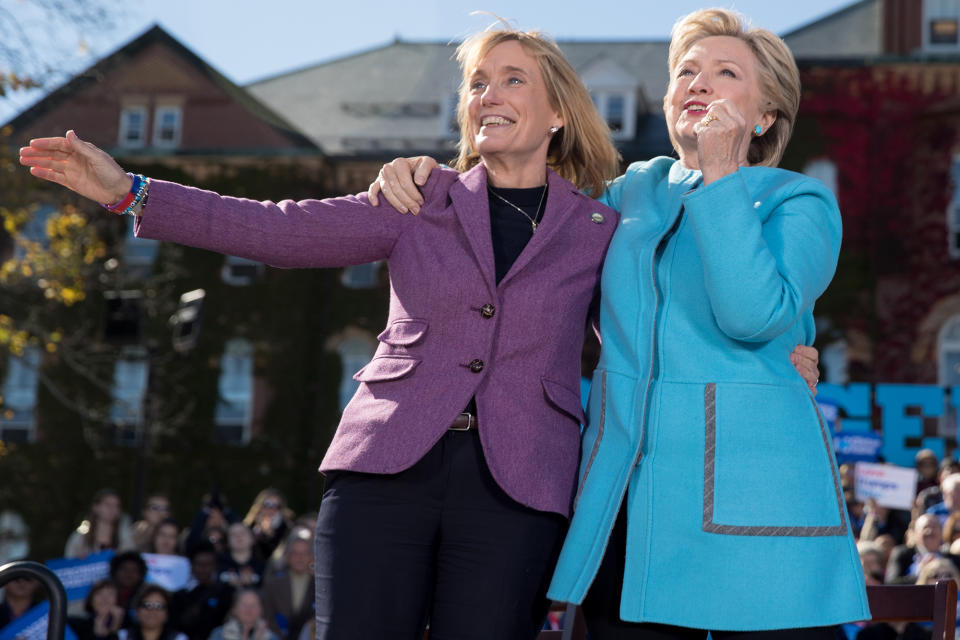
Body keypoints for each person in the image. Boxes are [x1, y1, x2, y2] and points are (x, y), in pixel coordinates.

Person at [19, 22, 818, 640]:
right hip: (383, 473)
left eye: (512, 78)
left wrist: (793, 349)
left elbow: (670, 301)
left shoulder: (602, 227)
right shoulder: (418, 198)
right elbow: (276, 229)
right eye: (477, 82)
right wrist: (131, 192)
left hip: (519, 490)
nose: (488, 93)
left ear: (557, 113)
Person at [372, 8, 859, 637]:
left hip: (756, 508)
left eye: (725, 72)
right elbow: (523, 229)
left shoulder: (800, 200)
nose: (699, 83)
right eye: (686, 70)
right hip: (631, 504)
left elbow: (753, 314)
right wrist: (429, 178)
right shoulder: (626, 193)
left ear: (766, 114)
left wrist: (720, 178)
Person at [171, 542, 233, 640]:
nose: (204, 569)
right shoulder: (180, 596)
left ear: (215, 566)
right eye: (199, 564)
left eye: (208, 564)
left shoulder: (226, 592)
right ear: (192, 566)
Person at [260, 529, 313, 640]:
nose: (300, 558)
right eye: (296, 553)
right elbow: (267, 614)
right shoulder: (273, 583)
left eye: (305, 553)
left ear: (311, 557)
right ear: (288, 557)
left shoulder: (319, 585)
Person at [65, 489, 136, 558]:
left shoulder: (126, 537)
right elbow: (68, 563)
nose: (113, 509)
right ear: (95, 507)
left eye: (117, 506)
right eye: (108, 505)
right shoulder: (79, 539)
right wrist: (77, 560)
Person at [119, 586, 186, 640]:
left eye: (159, 606)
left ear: (167, 612)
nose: (152, 611)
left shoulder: (179, 638)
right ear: (137, 610)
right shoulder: (122, 636)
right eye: (147, 605)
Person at [208, 590, 277, 640]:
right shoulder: (219, 635)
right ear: (234, 609)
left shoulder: (271, 637)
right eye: (244, 605)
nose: (249, 609)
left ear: (261, 609)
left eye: (254, 605)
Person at [218, 523, 264, 589]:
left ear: (252, 539)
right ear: (227, 541)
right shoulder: (218, 564)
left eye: (242, 533)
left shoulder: (263, 567)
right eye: (233, 534)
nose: (238, 536)